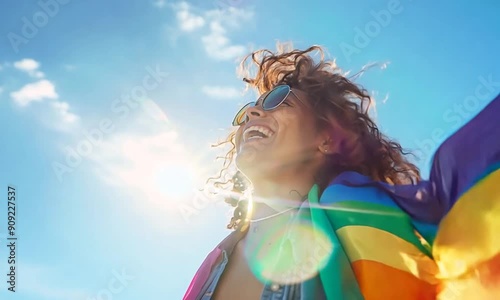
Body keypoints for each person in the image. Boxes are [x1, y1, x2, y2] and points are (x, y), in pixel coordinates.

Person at [183, 45, 500, 300]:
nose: (252, 112)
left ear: (325, 140)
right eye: (246, 112)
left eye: (279, 100)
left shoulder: (364, 218)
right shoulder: (213, 262)